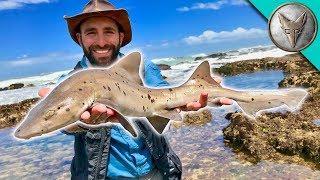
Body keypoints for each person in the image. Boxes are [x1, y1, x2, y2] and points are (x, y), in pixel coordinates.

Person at [39, 0, 232, 179]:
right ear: (79, 38)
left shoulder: (143, 68)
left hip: (156, 169)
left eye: (109, 31)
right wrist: (79, 122)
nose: (101, 41)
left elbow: (167, 97)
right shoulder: (66, 83)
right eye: (91, 33)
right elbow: (63, 127)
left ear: (120, 37)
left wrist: (188, 98)